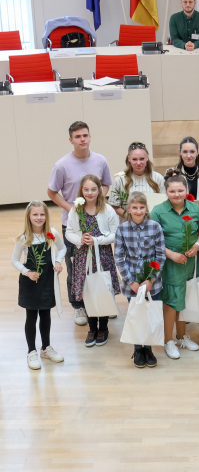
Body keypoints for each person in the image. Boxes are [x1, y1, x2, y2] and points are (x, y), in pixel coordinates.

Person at [47, 121, 111, 327]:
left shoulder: (101, 160)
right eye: (78, 137)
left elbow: (107, 184)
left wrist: (97, 205)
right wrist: (72, 209)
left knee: (101, 264)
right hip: (72, 225)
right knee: (76, 267)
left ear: (90, 137)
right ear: (71, 140)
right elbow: (51, 192)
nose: (82, 139)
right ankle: (79, 306)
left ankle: (102, 303)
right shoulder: (61, 165)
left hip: (97, 224)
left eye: (85, 135)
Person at [150, 173, 199, 359]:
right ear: (166, 191)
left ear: (187, 190)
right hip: (170, 263)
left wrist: (198, 244)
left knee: (186, 300)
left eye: (180, 190)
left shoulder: (194, 209)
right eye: (172, 191)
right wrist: (171, 254)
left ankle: (182, 336)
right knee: (171, 302)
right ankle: (168, 340)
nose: (176, 194)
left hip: (190, 262)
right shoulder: (158, 211)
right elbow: (152, 239)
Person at [66, 174, 120, 348]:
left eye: (93, 189)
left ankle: (103, 328)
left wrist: (97, 240)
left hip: (102, 256)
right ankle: (92, 328)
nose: (89, 193)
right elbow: (69, 232)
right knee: (88, 290)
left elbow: (115, 234)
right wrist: (81, 239)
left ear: (100, 190)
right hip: (83, 257)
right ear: (81, 190)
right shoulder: (76, 210)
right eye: (86, 189)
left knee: (102, 289)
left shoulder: (107, 210)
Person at [12, 201, 66, 370]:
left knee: (46, 314)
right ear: (29, 216)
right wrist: (26, 271)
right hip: (30, 283)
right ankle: (31, 351)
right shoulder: (23, 238)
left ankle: (46, 347)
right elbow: (14, 260)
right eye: (35, 214)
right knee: (31, 316)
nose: (39, 217)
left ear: (46, 216)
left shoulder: (52, 233)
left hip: (47, 281)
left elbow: (62, 249)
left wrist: (57, 261)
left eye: (42, 214)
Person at [114, 192, 165, 368]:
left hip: (152, 282)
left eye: (141, 207)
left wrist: (150, 280)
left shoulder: (155, 227)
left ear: (146, 209)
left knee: (149, 315)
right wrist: (131, 281)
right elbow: (119, 258)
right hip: (132, 283)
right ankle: (137, 348)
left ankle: (148, 348)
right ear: (128, 209)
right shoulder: (122, 229)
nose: (138, 211)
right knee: (136, 315)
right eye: (134, 207)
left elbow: (160, 256)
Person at [109, 142, 165, 219]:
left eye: (142, 159)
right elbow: (115, 206)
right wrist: (131, 218)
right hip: (128, 224)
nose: (138, 163)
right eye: (134, 159)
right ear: (129, 159)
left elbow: (164, 204)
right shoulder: (120, 179)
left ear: (147, 158)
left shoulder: (158, 178)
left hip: (152, 223)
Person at [170, 137, 199, 211]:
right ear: (180, 152)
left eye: (192, 151)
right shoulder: (171, 172)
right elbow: (167, 198)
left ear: (197, 152)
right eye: (185, 152)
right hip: (180, 215)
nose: (189, 156)